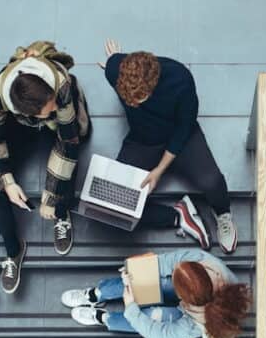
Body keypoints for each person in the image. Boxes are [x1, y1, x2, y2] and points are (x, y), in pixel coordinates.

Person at [99, 39, 238, 253]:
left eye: (139, 99)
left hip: (181, 137)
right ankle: (178, 215)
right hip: (142, 141)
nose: (134, 104)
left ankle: (222, 214)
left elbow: (184, 129)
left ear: (154, 82)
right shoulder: (115, 71)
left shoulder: (180, 80)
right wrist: (114, 62)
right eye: (129, 100)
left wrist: (159, 170)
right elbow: (116, 66)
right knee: (111, 204)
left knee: (212, 182)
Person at [0, 41, 92, 294]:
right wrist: (7, 182)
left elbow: (68, 142)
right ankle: (13, 249)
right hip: (20, 125)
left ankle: (61, 214)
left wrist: (51, 197)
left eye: (51, 103)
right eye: (46, 109)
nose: (51, 107)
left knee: (70, 163)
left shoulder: (60, 87)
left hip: (59, 122)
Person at [60, 249, 250, 338]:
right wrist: (135, 270)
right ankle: (96, 294)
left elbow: (160, 336)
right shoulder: (202, 260)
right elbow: (166, 262)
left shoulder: (199, 324)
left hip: (193, 315)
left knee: (152, 317)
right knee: (141, 280)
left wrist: (131, 308)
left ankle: (104, 318)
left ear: (184, 300)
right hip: (194, 301)